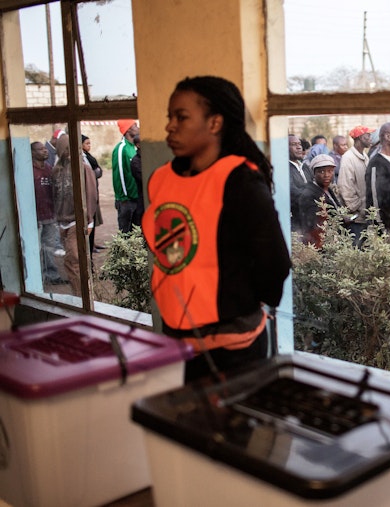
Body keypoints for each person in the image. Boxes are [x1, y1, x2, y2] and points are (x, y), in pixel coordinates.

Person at [142, 75, 291, 384]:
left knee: (228, 431)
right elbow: (166, 249)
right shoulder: (161, 179)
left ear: (214, 123)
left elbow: (273, 261)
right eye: (169, 117)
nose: (170, 126)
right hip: (178, 341)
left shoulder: (240, 180)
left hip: (232, 348)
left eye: (181, 117)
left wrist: (243, 304)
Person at [52, 134, 97, 296]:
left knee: (72, 261)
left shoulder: (83, 168)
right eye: (62, 149)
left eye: (67, 148)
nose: (65, 152)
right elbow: (55, 196)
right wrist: (57, 221)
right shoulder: (57, 170)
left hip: (76, 221)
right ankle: (81, 294)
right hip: (62, 222)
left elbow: (91, 195)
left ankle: (82, 297)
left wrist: (89, 221)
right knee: (74, 261)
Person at [31, 141, 66, 285]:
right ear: (32, 153)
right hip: (35, 217)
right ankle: (35, 278)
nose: (45, 151)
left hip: (50, 215)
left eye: (45, 148)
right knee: (35, 248)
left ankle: (51, 275)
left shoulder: (49, 169)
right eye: (41, 149)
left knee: (49, 248)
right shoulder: (29, 171)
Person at [337, 125, 374, 246]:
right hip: (355, 218)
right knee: (355, 249)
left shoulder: (365, 156)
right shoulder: (348, 158)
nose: (370, 138)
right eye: (367, 136)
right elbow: (345, 187)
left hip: (364, 215)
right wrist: (358, 208)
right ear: (360, 137)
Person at [298, 154, 342, 248]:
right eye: (321, 172)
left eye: (330, 171)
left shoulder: (327, 189)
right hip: (320, 245)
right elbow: (312, 226)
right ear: (314, 173)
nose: (326, 175)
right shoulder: (308, 195)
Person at [365, 121, 390, 230]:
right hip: (387, 231)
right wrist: (381, 231)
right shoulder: (376, 164)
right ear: (388, 137)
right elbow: (375, 201)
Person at [112, 118, 140, 234]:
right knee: (125, 233)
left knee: (136, 232)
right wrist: (124, 197)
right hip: (126, 200)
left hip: (135, 198)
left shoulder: (134, 147)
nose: (137, 127)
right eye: (134, 125)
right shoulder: (121, 149)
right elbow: (120, 175)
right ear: (128, 130)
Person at [82, 135, 104, 255]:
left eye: (90, 143)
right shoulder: (81, 158)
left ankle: (92, 245)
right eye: (87, 143)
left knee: (92, 221)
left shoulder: (88, 157)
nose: (89, 146)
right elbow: (93, 172)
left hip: (93, 193)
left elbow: (98, 170)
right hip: (87, 195)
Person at [288, 133, 312, 232]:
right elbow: (292, 192)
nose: (298, 147)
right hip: (296, 221)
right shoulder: (284, 168)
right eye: (293, 144)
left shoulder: (305, 166)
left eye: (299, 144)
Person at [130, 135, 144, 229]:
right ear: (138, 145)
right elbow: (143, 178)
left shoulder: (147, 157)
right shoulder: (135, 161)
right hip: (143, 198)